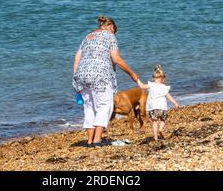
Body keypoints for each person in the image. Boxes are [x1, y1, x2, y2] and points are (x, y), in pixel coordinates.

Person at [73, 16, 140, 147]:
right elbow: (116, 59)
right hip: (101, 76)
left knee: (89, 108)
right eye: (114, 31)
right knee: (104, 106)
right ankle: (97, 140)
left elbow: (76, 59)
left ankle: (89, 140)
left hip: (82, 75)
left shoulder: (88, 36)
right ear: (111, 27)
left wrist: (75, 78)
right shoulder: (110, 36)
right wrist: (132, 74)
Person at [137, 65, 179, 141]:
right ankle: (161, 129)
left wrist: (136, 79)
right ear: (163, 79)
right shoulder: (164, 87)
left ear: (153, 78)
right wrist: (175, 103)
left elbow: (142, 86)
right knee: (163, 120)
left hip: (153, 108)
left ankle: (155, 137)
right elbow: (168, 96)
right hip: (163, 108)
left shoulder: (151, 85)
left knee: (154, 123)